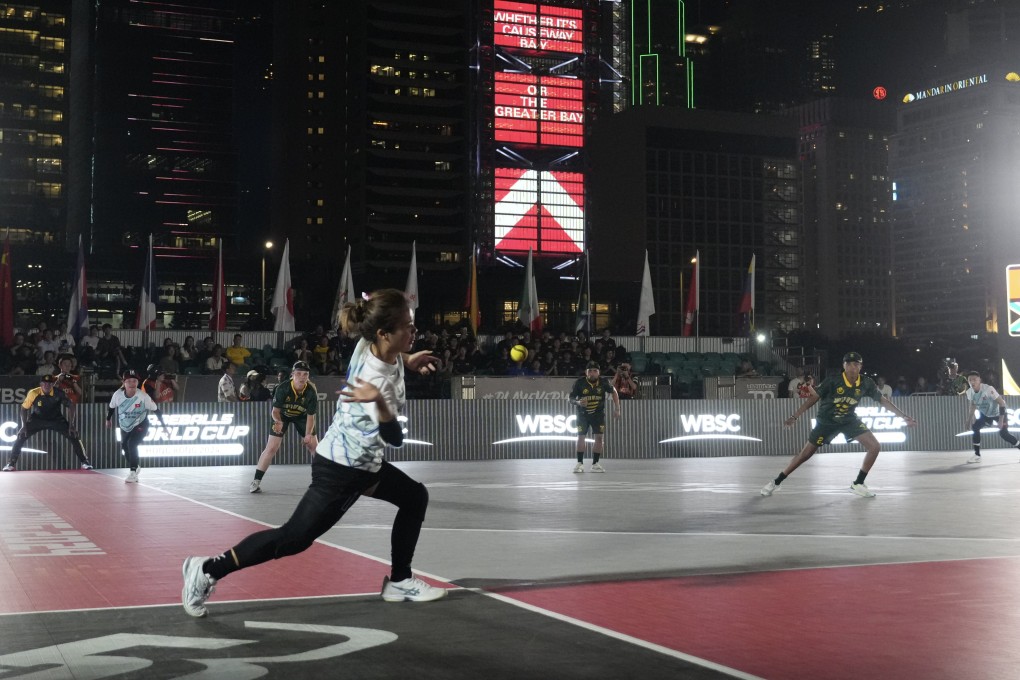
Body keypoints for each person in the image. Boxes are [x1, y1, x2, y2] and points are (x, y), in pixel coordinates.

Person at [182, 288, 446, 618]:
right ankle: (207, 569)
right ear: (383, 333)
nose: (414, 331)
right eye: (407, 326)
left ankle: (400, 580)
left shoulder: (371, 345)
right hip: (342, 470)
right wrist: (378, 402)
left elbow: (384, 350)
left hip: (360, 463)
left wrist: (408, 357)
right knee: (293, 538)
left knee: (414, 496)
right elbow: (394, 438)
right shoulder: (375, 381)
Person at [761, 352, 917, 498]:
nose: (852, 367)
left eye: (856, 364)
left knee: (875, 446)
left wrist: (903, 416)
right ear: (844, 366)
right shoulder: (833, 380)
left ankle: (858, 483)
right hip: (827, 421)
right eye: (849, 364)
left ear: (861, 367)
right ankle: (776, 482)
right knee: (804, 455)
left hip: (849, 420)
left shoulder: (866, 382)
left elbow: (883, 400)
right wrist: (794, 416)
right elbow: (813, 399)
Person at [248, 361, 319, 493]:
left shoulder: (311, 391)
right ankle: (256, 481)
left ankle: (322, 481)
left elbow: (310, 417)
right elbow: (275, 411)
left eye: (305, 374)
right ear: (292, 375)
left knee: (314, 447)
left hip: (302, 417)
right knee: (271, 447)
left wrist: (308, 434)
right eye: (299, 374)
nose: (302, 377)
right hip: (282, 417)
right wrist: (278, 422)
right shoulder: (283, 388)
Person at [2, 374, 92, 471]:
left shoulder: (59, 393)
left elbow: (71, 406)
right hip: (37, 419)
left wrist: (71, 425)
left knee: (74, 435)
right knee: (21, 435)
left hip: (56, 419)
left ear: (53, 384)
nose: (47, 385)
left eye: (49, 383)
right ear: (40, 384)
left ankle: (84, 462)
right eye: (44, 383)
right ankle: (11, 463)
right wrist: (24, 426)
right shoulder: (33, 393)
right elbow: (24, 409)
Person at [106, 369, 165, 483]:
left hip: (141, 424)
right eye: (129, 381)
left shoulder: (143, 396)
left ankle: (133, 472)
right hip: (125, 425)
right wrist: (108, 419)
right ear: (124, 382)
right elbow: (111, 407)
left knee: (132, 444)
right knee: (124, 446)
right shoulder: (118, 395)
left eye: (134, 381)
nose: (132, 384)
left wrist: (164, 426)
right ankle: (136, 466)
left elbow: (157, 410)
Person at [569, 360, 621, 473]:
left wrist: (617, 408)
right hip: (582, 415)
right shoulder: (579, 383)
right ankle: (579, 463)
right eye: (590, 371)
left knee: (599, 438)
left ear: (599, 372)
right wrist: (578, 402)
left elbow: (614, 391)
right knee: (581, 437)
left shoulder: (603, 382)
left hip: (598, 414)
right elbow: (571, 398)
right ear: (586, 372)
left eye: (595, 371)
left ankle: (595, 464)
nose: (592, 373)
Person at [962, 370, 1020, 463]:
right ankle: (977, 455)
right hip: (985, 415)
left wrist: (1001, 420)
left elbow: (1002, 403)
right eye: (970, 380)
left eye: (975, 379)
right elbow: (973, 406)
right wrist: (968, 420)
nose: (972, 382)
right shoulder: (969, 392)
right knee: (975, 427)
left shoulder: (988, 389)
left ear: (979, 380)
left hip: (999, 414)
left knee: (1004, 434)